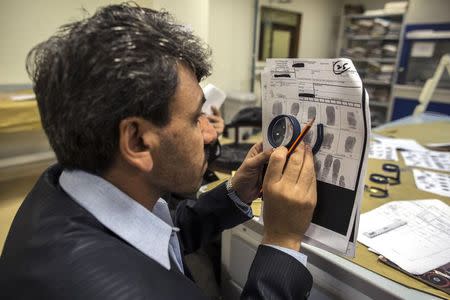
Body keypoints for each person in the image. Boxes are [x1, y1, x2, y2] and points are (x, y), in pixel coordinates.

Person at [0, 4, 317, 299]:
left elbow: (160, 234)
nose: (209, 132)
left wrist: (236, 192)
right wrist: (282, 240)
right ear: (137, 141)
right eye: (195, 119)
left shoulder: (63, 183)